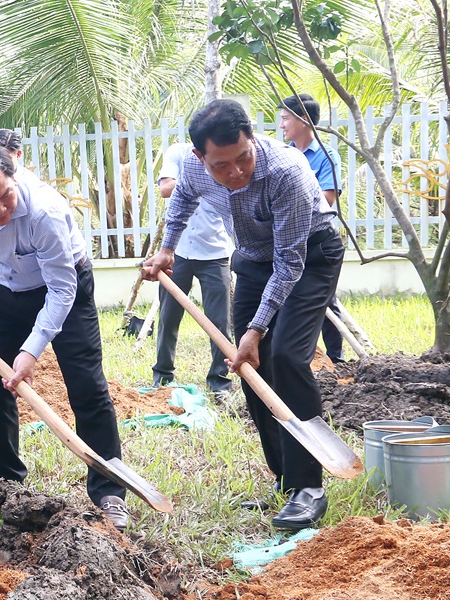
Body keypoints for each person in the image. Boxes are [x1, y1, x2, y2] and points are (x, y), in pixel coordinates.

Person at [142, 99, 344, 530]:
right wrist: (167, 248)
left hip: (310, 255)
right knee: (251, 366)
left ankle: (310, 488)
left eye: (243, 158)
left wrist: (254, 328)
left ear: (253, 139)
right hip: (252, 260)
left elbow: (290, 263)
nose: (235, 172)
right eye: (221, 165)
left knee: (287, 357)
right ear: (200, 157)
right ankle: (286, 479)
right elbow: (180, 202)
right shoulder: (195, 168)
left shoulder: (286, 171)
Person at [0, 142, 129, 531]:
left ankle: (109, 492)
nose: (1, 211)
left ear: (13, 178)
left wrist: (31, 351)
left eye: (6, 196)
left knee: (87, 385)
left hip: (63, 289)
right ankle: (4, 483)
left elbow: (62, 292)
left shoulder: (45, 212)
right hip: (1, 290)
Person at [151, 142, 234, 396]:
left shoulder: (225, 157)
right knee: (168, 317)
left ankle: (220, 382)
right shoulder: (178, 152)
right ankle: (163, 377)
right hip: (178, 251)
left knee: (220, 322)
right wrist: (200, 179)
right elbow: (166, 189)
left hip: (216, 252)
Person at [279, 93, 345, 364]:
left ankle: (335, 359)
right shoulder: (282, 155)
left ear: (304, 120)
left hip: (316, 241)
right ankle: (306, 358)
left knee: (324, 300)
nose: (281, 125)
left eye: (285, 119)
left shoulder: (327, 156)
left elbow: (327, 199)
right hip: (286, 240)